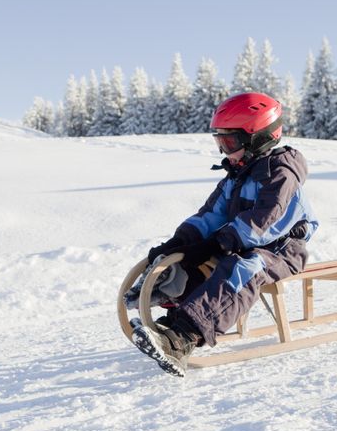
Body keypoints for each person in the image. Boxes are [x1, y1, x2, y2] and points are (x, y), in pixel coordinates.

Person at [130, 92, 318, 376]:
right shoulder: (237, 174)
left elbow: (262, 222)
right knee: (193, 258)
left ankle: (183, 337)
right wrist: (180, 242)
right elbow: (210, 215)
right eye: (220, 142)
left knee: (243, 268)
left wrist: (217, 244)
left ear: (258, 137)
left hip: (282, 249)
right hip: (244, 241)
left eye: (229, 142)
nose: (224, 151)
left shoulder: (281, 173)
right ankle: (172, 310)